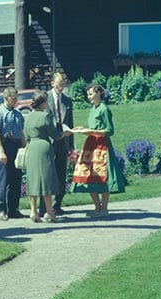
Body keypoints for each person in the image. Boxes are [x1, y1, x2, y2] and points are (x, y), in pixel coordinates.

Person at [70, 84, 125, 217]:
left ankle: (104, 208)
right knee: (88, 175)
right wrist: (82, 129)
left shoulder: (104, 109)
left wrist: (91, 131)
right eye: (88, 94)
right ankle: (97, 207)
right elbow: (92, 126)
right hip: (90, 144)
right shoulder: (92, 109)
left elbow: (110, 130)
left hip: (102, 145)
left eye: (91, 94)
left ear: (99, 93)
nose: (89, 96)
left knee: (103, 176)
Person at [24, 90, 72, 223]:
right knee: (46, 180)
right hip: (44, 147)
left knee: (33, 179)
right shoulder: (46, 117)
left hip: (32, 147)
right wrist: (65, 133)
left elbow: (26, 136)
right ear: (43, 103)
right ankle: (50, 213)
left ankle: (33, 211)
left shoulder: (27, 117)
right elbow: (55, 135)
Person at [39, 72, 74, 216]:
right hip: (49, 140)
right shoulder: (45, 98)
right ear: (52, 83)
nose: (61, 89)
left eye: (63, 86)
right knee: (47, 173)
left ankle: (57, 204)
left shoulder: (67, 100)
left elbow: (70, 122)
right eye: (58, 86)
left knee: (61, 172)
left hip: (63, 139)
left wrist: (71, 144)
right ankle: (43, 207)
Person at [0, 87, 26, 221]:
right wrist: (1, 151)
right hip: (4, 145)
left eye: (16, 98)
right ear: (6, 98)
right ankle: (1, 209)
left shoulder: (18, 114)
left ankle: (14, 209)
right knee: (3, 180)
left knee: (15, 179)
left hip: (16, 145)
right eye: (13, 99)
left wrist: (24, 147)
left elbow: (21, 132)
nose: (16, 101)